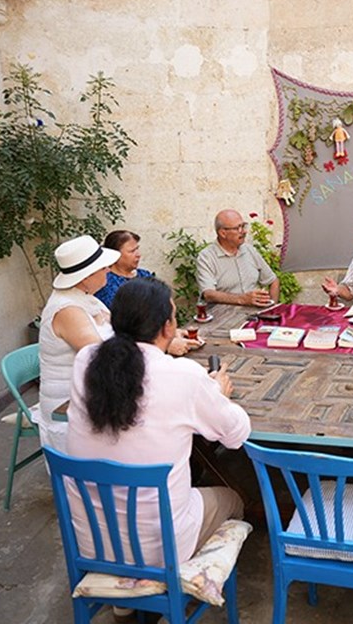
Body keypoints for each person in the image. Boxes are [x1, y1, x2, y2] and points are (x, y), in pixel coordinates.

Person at [66, 277, 251, 570]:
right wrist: (217, 393)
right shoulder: (183, 375)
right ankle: (194, 578)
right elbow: (236, 434)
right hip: (160, 547)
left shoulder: (87, 361)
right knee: (233, 498)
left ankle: (124, 601)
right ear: (167, 327)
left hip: (93, 541)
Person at [37, 235, 120, 453]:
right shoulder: (67, 309)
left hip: (96, 393)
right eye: (103, 267)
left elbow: (120, 329)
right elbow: (104, 357)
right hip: (68, 405)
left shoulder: (86, 297)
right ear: (85, 277)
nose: (108, 271)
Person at [196, 209, 280, 307]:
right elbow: (208, 294)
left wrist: (272, 308)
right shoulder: (206, 257)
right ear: (223, 233)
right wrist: (242, 299)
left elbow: (273, 280)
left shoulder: (249, 250)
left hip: (254, 315)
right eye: (238, 228)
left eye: (243, 226)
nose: (244, 231)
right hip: (224, 318)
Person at [93, 230, 153, 308]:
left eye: (137, 249)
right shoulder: (104, 282)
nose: (138, 255)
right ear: (115, 254)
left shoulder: (145, 276)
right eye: (132, 251)